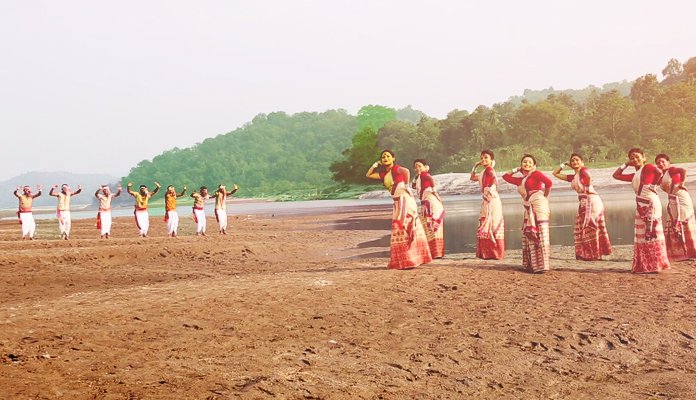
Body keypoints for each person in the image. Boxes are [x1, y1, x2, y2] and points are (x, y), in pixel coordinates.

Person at [366, 150, 432, 269]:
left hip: (404, 201)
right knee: (400, 229)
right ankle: (406, 259)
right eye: (383, 157)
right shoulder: (384, 174)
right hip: (397, 202)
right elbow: (368, 175)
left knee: (404, 227)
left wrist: (406, 186)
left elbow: (406, 171)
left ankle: (410, 260)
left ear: (393, 158)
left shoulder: (395, 169)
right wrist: (375, 165)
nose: (385, 158)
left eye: (388, 156)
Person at [612, 148, 670, 273]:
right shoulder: (635, 175)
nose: (635, 159)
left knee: (652, 232)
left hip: (651, 204)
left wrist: (656, 183)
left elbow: (661, 172)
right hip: (640, 205)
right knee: (642, 235)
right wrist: (626, 164)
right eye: (632, 158)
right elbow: (615, 175)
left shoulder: (648, 167)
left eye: (637, 156)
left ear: (644, 157)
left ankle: (656, 264)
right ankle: (646, 264)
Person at [552, 153, 612, 260]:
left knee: (591, 227)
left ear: (582, 162)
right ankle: (587, 254)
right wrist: (564, 164)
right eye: (573, 160)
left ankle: (595, 254)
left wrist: (577, 167)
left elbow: (587, 176)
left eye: (577, 160)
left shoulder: (584, 171)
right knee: (580, 229)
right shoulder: (573, 177)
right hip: (583, 203)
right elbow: (555, 173)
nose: (575, 162)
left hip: (592, 201)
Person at [502, 154, 552, 273]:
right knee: (529, 232)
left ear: (534, 165)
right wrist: (516, 169)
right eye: (524, 162)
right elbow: (505, 176)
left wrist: (545, 196)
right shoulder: (520, 180)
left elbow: (549, 183)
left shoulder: (536, 174)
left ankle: (543, 265)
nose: (527, 164)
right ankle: (533, 265)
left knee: (540, 231)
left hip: (539, 204)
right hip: (528, 206)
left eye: (530, 162)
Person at [655, 153, 696, 261]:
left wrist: (682, 183)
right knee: (674, 222)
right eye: (658, 163)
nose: (660, 164)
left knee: (683, 221)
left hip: (681, 198)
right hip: (673, 200)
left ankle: (690, 252)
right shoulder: (661, 176)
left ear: (668, 162)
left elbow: (683, 171)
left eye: (663, 161)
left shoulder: (671, 170)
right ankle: (680, 252)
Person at [470, 150, 505, 260]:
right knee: (486, 222)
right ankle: (488, 252)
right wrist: (475, 166)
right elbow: (472, 178)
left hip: (492, 200)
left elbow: (495, 179)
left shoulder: (490, 169)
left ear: (491, 160)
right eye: (482, 158)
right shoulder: (483, 172)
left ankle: (496, 252)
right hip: (486, 200)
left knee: (493, 224)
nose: (483, 160)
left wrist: (491, 190)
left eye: (486, 157)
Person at [412, 159, 445, 258]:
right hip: (426, 204)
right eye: (416, 167)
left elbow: (431, 180)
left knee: (432, 226)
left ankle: (436, 253)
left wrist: (435, 191)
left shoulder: (425, 175)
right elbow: (413, 186)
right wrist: (416, 175)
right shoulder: (419, 177)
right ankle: (433, 252)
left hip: (431, 204)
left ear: (425, 167)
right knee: (427, 226)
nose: (418, 168)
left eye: (420, 166)